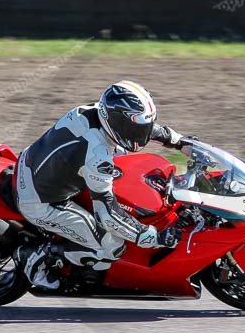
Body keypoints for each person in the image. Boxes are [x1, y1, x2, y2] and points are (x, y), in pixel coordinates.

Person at [14, 80, 188, 289]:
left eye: (140, 128)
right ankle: (37, 256)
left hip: (33, 164)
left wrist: (179, 141)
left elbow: (135, 126)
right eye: (133, 128)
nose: (138, 134)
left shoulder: (94, 111)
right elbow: (107, 216)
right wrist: (152, 236)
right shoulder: (97, 154)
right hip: (40, 201)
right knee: (112, 246)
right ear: (113, 119)